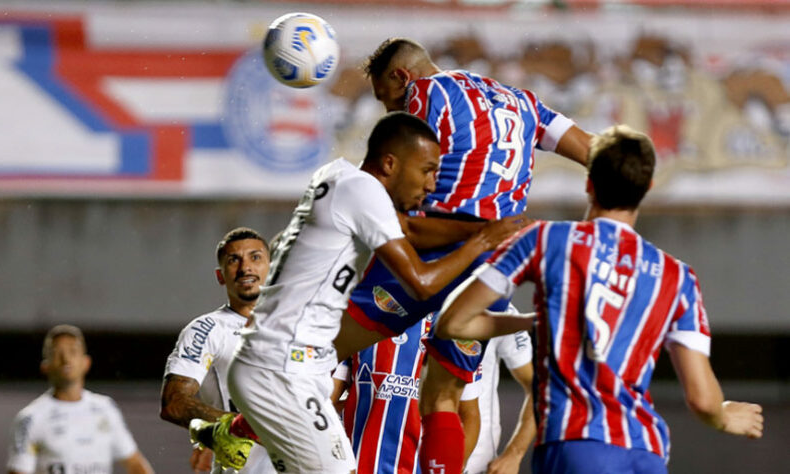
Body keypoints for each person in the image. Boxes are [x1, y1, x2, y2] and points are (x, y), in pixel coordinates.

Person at [435, 125, 764, 473]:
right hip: (647, 454)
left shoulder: (545, 240)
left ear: (589, 182)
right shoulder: (678, 276)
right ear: (646, 189)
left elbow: (454, 322)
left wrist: (531, 321)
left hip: (576, 445)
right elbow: (701, 398)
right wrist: (723, 417)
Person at [333, 37, 593, 474]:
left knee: (319, 351)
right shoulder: (523, 102)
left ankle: (238, 432)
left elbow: (398, 170)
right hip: (492, 267)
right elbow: (593, 152)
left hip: (432, 243)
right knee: (442, 396)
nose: (388, 113)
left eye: (386, 100)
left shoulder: (425, 94)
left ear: (402, 77)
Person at [224, 111, 525, 474]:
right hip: (281, 366)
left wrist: (481, 229)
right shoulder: (361, 189)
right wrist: (480, 242)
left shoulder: (341, 178)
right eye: (426, 170)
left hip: (292, 365)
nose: (431, 185)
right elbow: (421, 281)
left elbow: (411, 228)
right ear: (390, 163)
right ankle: (232, 431)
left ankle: (228, 432)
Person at [160, 227, 274, 473]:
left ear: (272, 268)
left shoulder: (301, 327)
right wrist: (238, 427)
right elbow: (174, 402)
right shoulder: (208, 328)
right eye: (234, 260)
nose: (246, 268)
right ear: (220, 276)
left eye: (255, 257)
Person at [330, 315, 484, 474]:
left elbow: (470, 414)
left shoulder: (455, 328)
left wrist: (450, 468)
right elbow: (325, 402)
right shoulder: (366, 314)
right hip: (360, 464)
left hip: (422, 466)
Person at [6, 325, 154, 474]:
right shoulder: (30, 418)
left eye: (73, 351)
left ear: (86, 362)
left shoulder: (106, 408)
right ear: (45, 366)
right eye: (57, 353)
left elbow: (134, 463)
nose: (66, 359)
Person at [463, 333, 535, 474]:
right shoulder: (409, 313)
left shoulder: (500, 312)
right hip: (411, 458)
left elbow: (538, 388)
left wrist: (514, 454)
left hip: (478, 467)